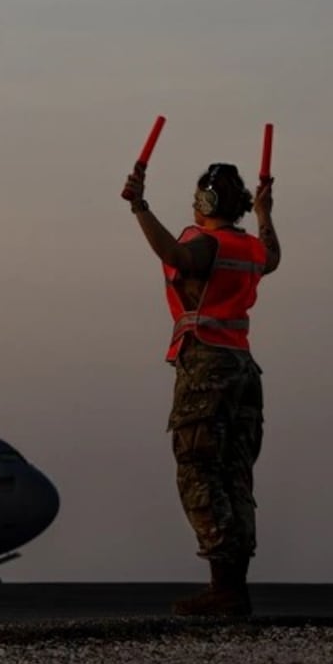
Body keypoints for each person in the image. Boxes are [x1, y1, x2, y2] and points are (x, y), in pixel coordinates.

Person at [123, 161, 280, 616]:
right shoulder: (249, 247)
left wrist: (140, 207)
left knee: (198, 468)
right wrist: (266, 212)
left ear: (207, 201)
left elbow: (175, 256)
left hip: (206, 365)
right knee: (235, 475)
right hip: (243, 368)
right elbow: (272, 255)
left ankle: (224, 588)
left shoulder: (205, 243)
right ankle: (232, 586)